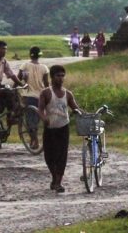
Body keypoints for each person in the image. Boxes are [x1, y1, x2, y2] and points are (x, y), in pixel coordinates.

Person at [37, 64, 81, 193]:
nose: (60, 78)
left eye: (62, 76)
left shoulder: (68, 94)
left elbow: (75, 108)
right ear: (52, 77)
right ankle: (54, 177)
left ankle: (58, 182)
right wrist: (44, 118)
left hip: (63, 128)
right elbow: (40, 109)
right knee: (49, 156)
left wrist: (84, 114)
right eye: (58, 76)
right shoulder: (46, 93)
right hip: (50, 128)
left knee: (61, 156)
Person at [20, 46, 51, 132]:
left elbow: (19, 78)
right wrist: (48, 94)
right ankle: (34, 136)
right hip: (40, 97)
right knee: (37, 117)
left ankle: (34, 139)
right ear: (39, 56)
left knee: (29, 118)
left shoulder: (25, 65)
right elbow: (46, 83)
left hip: (28, 96)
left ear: (30, 55)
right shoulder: (44, 68)